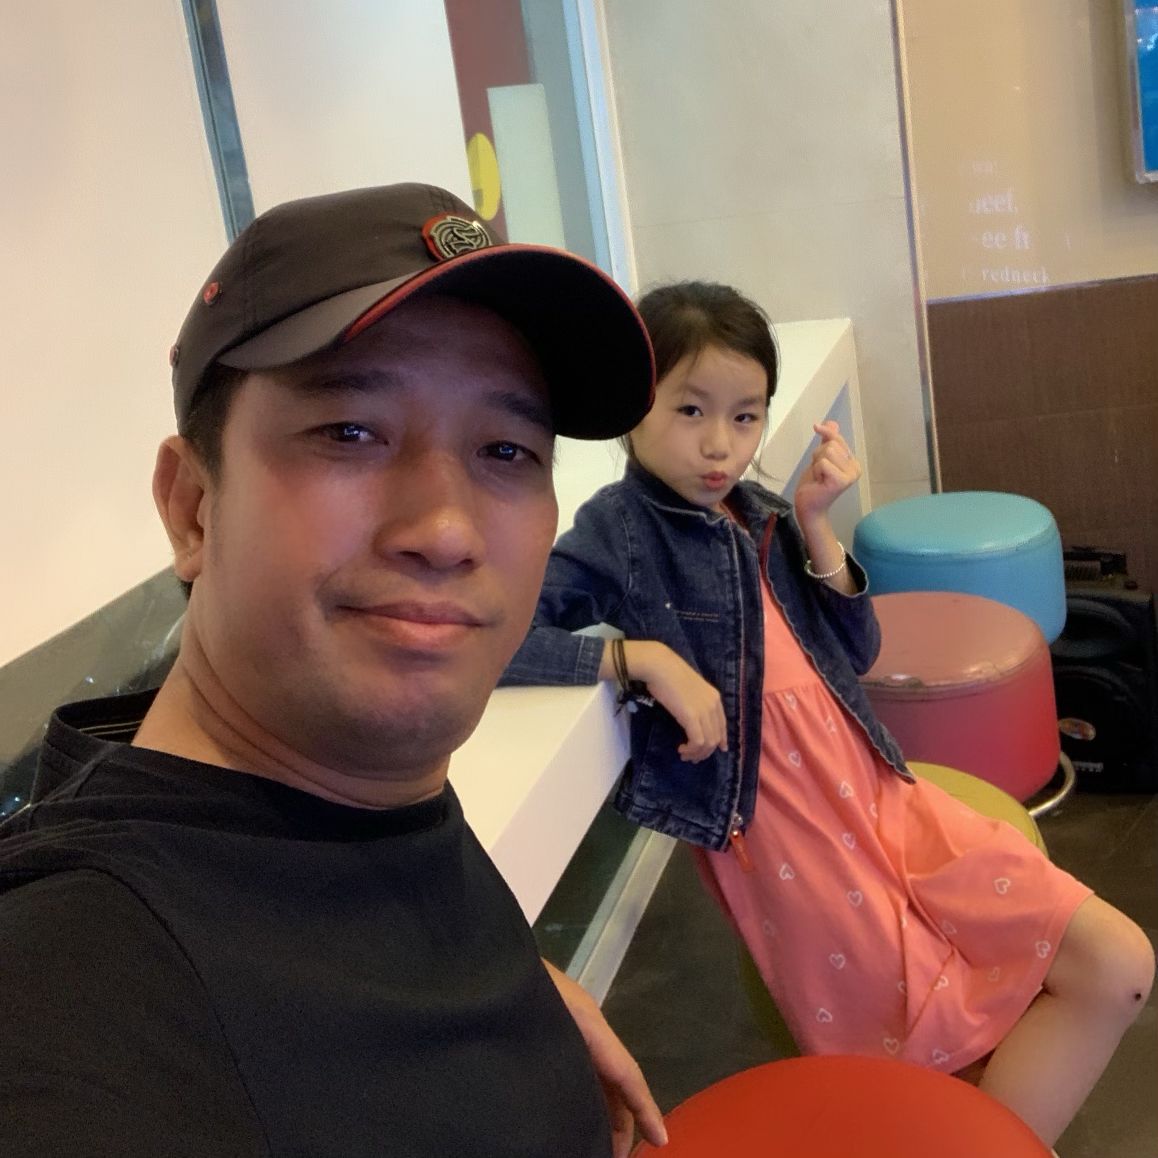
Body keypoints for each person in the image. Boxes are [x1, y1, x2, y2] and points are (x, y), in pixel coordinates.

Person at [0, 183, 668, 1157]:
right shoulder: (75, 1013)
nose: (447, 530)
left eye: (506, 449)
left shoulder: (336, 807)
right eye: (350, 432)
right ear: (192, 508)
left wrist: (508, 999)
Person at [501, 279, 1155, 1149]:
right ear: (635, 409)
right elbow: (502, 636)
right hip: (789, 841)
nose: (720, 444)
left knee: (1118, 964)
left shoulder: (762, 514)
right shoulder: (621, 530)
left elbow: (859, 650)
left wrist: (817, 526)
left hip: (883, 796)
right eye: (690, 409)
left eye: (745, 416)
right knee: (932, 1057)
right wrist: (639, 658)